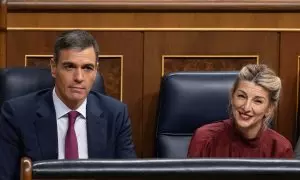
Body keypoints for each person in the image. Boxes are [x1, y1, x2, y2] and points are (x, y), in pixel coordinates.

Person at [0, 30, 137, 180]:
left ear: (96, 70)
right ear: (53, 67)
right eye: (69, 67)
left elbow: (128, 174)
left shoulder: (116, 114)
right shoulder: (17, 114)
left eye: (87, 68)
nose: (79, 77)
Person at [188, 64, 294, 158]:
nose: (246, 107)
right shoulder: (204, 139)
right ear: (232, 96)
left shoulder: (280, 149)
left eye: (257, 101)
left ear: (269, 108)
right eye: (241, 96)